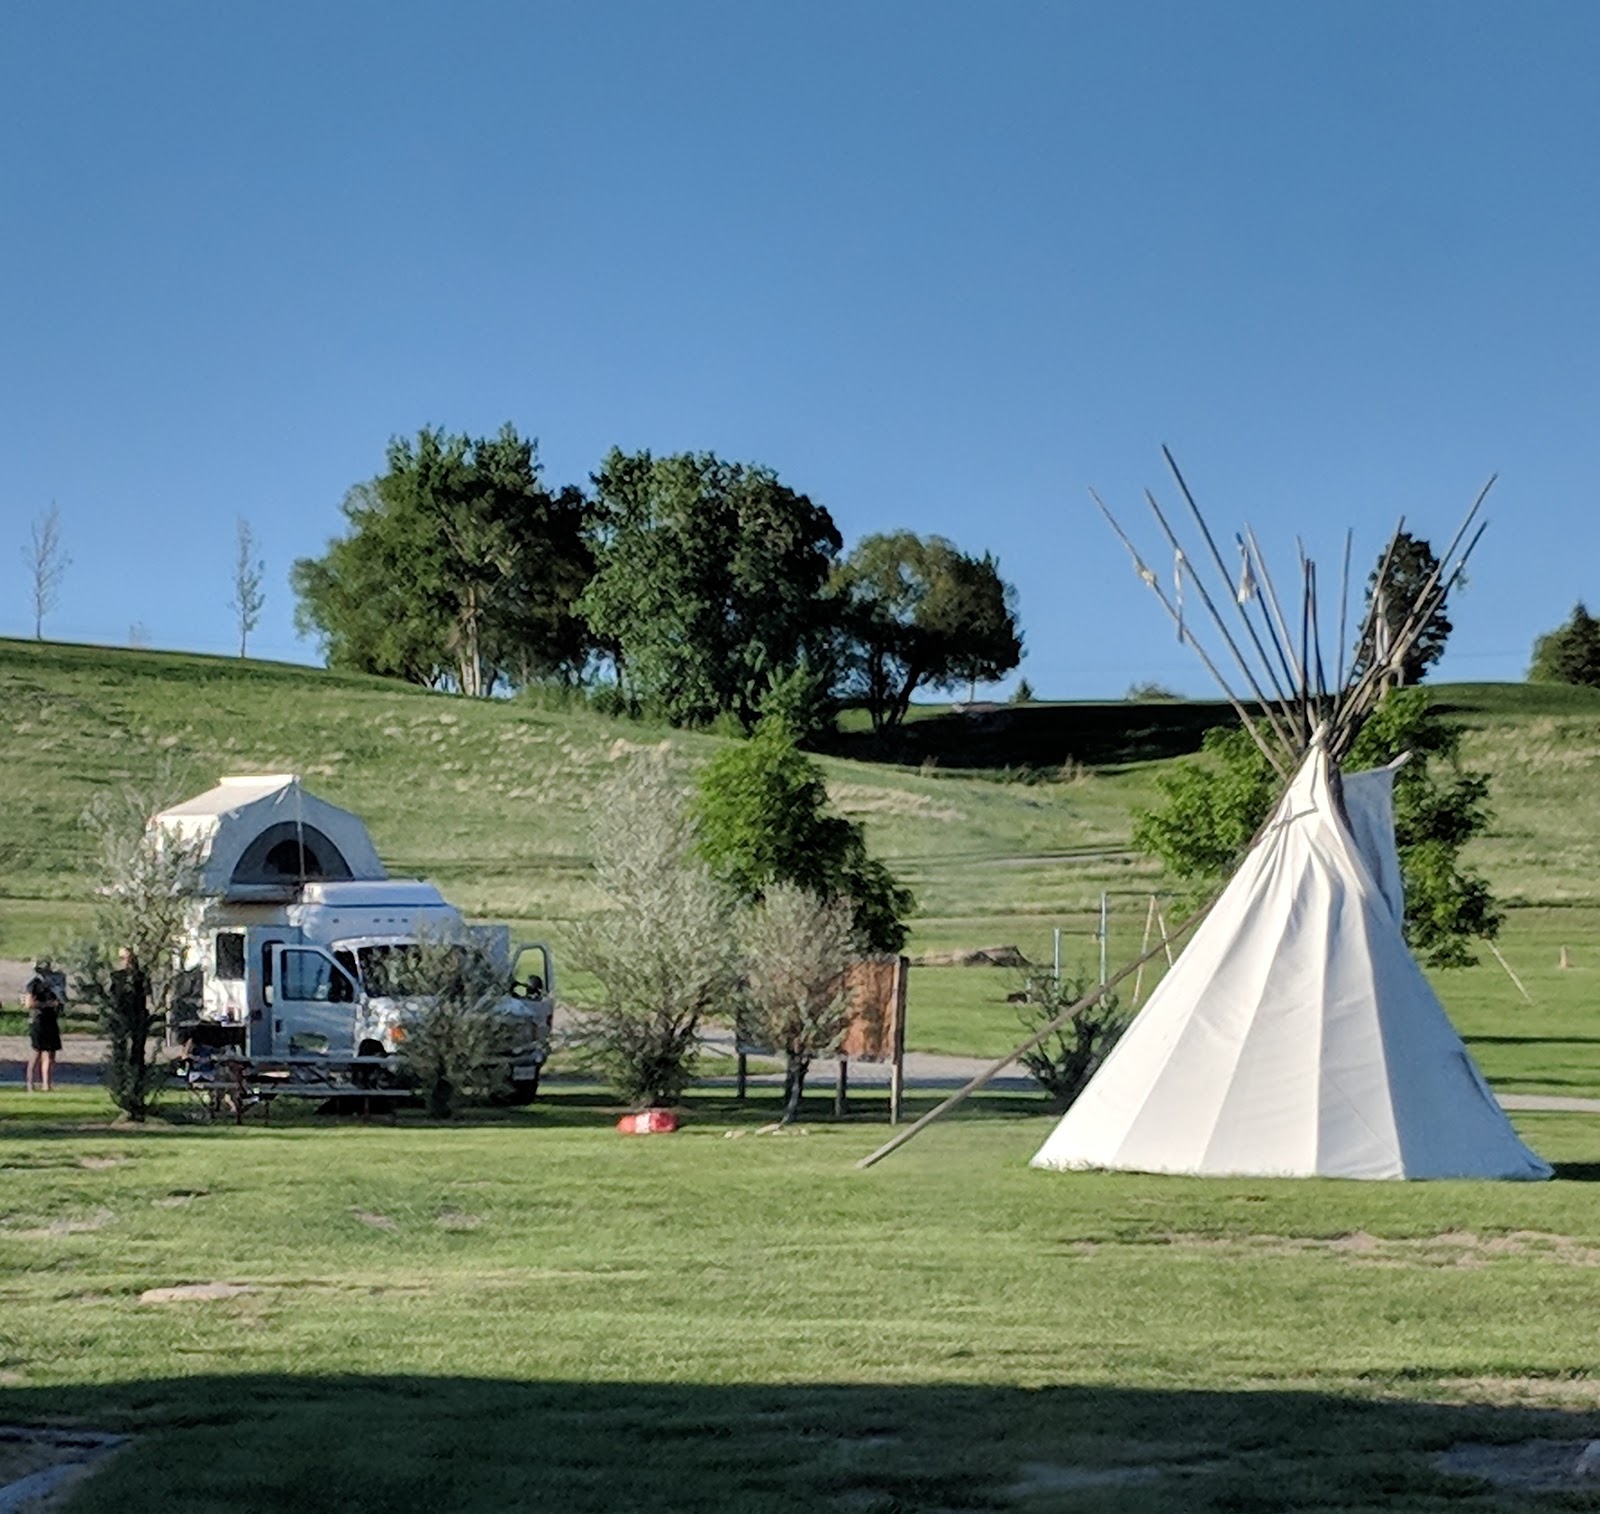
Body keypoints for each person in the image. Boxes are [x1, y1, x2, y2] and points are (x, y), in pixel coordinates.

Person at [24, 958, 63, 1093]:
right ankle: (30, 1083)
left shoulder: (51, 984)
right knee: (37, 1052)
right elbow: (29, 1004)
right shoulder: (33, 984)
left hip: (51, 1020)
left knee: (51, 1053)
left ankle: (47, 1084)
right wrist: (47, 1005)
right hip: (38, 1020)